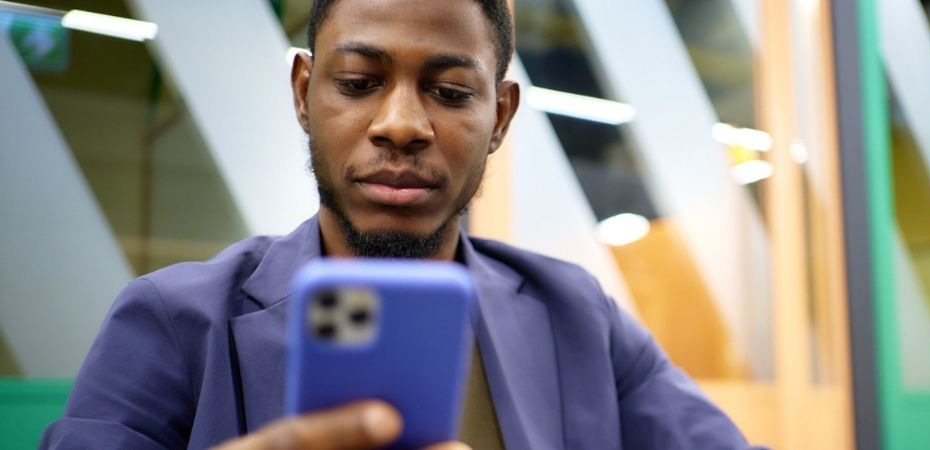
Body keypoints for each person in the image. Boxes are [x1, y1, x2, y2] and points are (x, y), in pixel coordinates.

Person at [40, 0, 755, 449]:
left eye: (450, 91)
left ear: (500, 116)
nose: (402, 124)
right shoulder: (171, 323)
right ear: (304, 93)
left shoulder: (578, 318)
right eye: (358, 83)